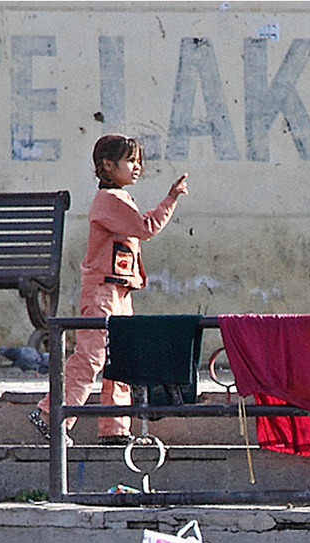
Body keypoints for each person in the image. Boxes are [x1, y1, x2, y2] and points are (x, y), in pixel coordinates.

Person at [30, 134, 188, 445]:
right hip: (102, 292)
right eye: (131, 161)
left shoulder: (120, 198)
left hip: (120, 291)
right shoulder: (108, 201)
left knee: (121, 360)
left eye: (138, 161)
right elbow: (145, 228)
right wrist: (171, 198)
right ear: (107, 165)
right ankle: (51, 415)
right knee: (91, 357)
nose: (137, 167)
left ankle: (115, 429)